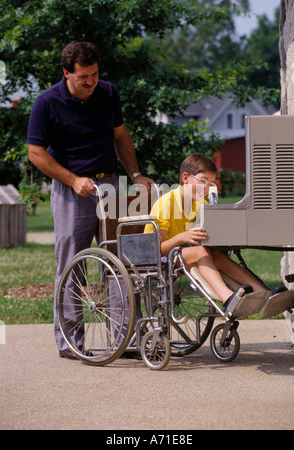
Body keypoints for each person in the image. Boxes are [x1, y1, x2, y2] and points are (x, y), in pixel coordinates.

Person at [27, 41, 152, 359]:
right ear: (66, 73)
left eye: (95, 74)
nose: (91, 81)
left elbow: (120, 134)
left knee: (122, 263)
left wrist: (135, 175)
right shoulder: (47, 103)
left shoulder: (108, 93)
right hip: (71, 191)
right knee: (73, 265)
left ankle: (125, 339)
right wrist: (72, 179)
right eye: (84, 76)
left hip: (109, 186)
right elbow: (36, 153)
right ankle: (71, 340)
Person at [144, 153, 266, 310]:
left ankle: (262, 293)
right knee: (201, 252)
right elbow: (156, 250)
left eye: (211, 184)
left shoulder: (201, 203)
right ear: (186, 177)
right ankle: (227, 297)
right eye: (203, 181)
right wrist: (182, 237)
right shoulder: (166, 203)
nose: (207, 188)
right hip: (159, 258)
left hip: (185, 252)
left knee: (217, 255)